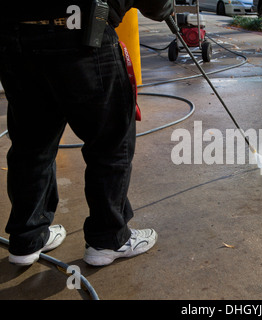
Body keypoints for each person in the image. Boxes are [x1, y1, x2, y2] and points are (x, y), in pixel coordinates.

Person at [0, 0, 173, 266]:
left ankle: (27, 239)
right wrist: (163, 8)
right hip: (83, 33)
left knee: (31, 144)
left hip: (17, 37)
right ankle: (108, 240)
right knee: (109, 143)